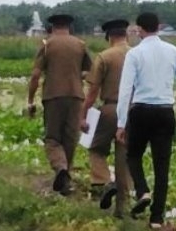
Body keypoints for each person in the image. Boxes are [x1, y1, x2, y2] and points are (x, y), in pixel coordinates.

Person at [115, 12, 176, 229]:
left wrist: (121, 123)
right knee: (162, 166)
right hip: (165, 111)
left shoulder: (134, 54)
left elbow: (125, 90)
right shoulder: (173, 51)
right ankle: (157, 218)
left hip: (140, 111)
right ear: (158, 27)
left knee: (133, 155)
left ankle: (142, 191)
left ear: (139, 29)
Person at [27, 14, 92, 195]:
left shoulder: (47, 45)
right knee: (70, 138)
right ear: (69, 26)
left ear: (52, 27)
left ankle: (61, 168)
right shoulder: (80, 45)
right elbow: (90, 72)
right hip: (76, 96)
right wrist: (77, 77)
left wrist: (30, 100)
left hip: (53, 96)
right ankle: (66, 179)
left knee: (53, 138)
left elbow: (35, 76)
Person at [80, 19, 132, 213]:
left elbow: (93, 91)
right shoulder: (137, 55)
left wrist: (83, 115)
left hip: (111, 109)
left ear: (109, 36)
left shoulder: (104, 57)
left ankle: (104, 181)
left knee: (97, 149)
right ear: (126, 34)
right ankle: (123, 208)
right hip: (133, 111)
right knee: (124, 158)